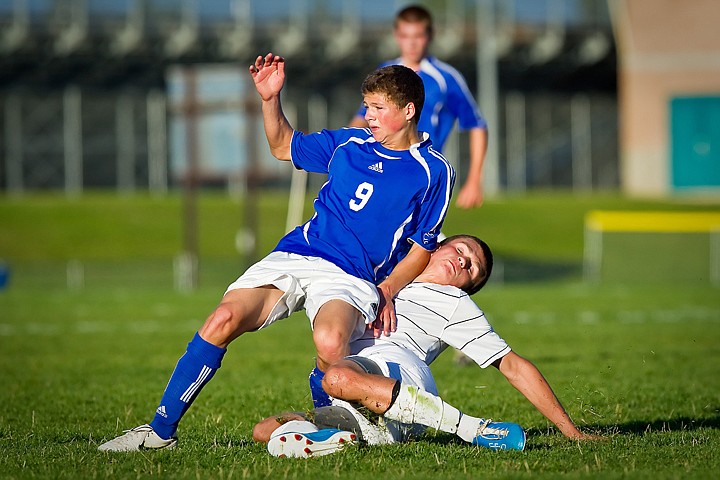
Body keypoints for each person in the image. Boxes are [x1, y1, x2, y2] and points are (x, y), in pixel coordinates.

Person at [97, 54, 455, 452]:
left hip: (352, 275)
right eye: (366, 106)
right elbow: (282, 145)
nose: (367, 116)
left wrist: (387, 289)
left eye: (377, 108)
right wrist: (270, 99)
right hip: (299, 253)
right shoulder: (349, 143)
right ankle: (159, 432)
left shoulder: (433, 170)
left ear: (408, 111)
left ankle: (327, 424)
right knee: (223, 317)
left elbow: (423, 247)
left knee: (331, 343)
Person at [253, 235, 600, 458]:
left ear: (466, 287)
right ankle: (342, 439)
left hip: (401, 376)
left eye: (472, 269)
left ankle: (473, 428)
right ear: (439, 244)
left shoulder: (453, 303)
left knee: (337, 378)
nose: (464, 261)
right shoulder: (383, 269)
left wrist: (572, 432)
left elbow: (512, 366)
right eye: (462, 250)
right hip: (354, 387)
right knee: (265, 429)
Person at [349, 5, 488, 209]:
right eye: (405, 35)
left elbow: (476, 125)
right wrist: (347, 155)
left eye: (418, 36)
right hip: (381, 169)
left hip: (422, 173)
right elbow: (362, 118)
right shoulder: (385, 72)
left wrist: (475, 179)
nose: (412, 43)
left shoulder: (445, 79)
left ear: (430, 36)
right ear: (397, 36)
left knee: (414, 234)